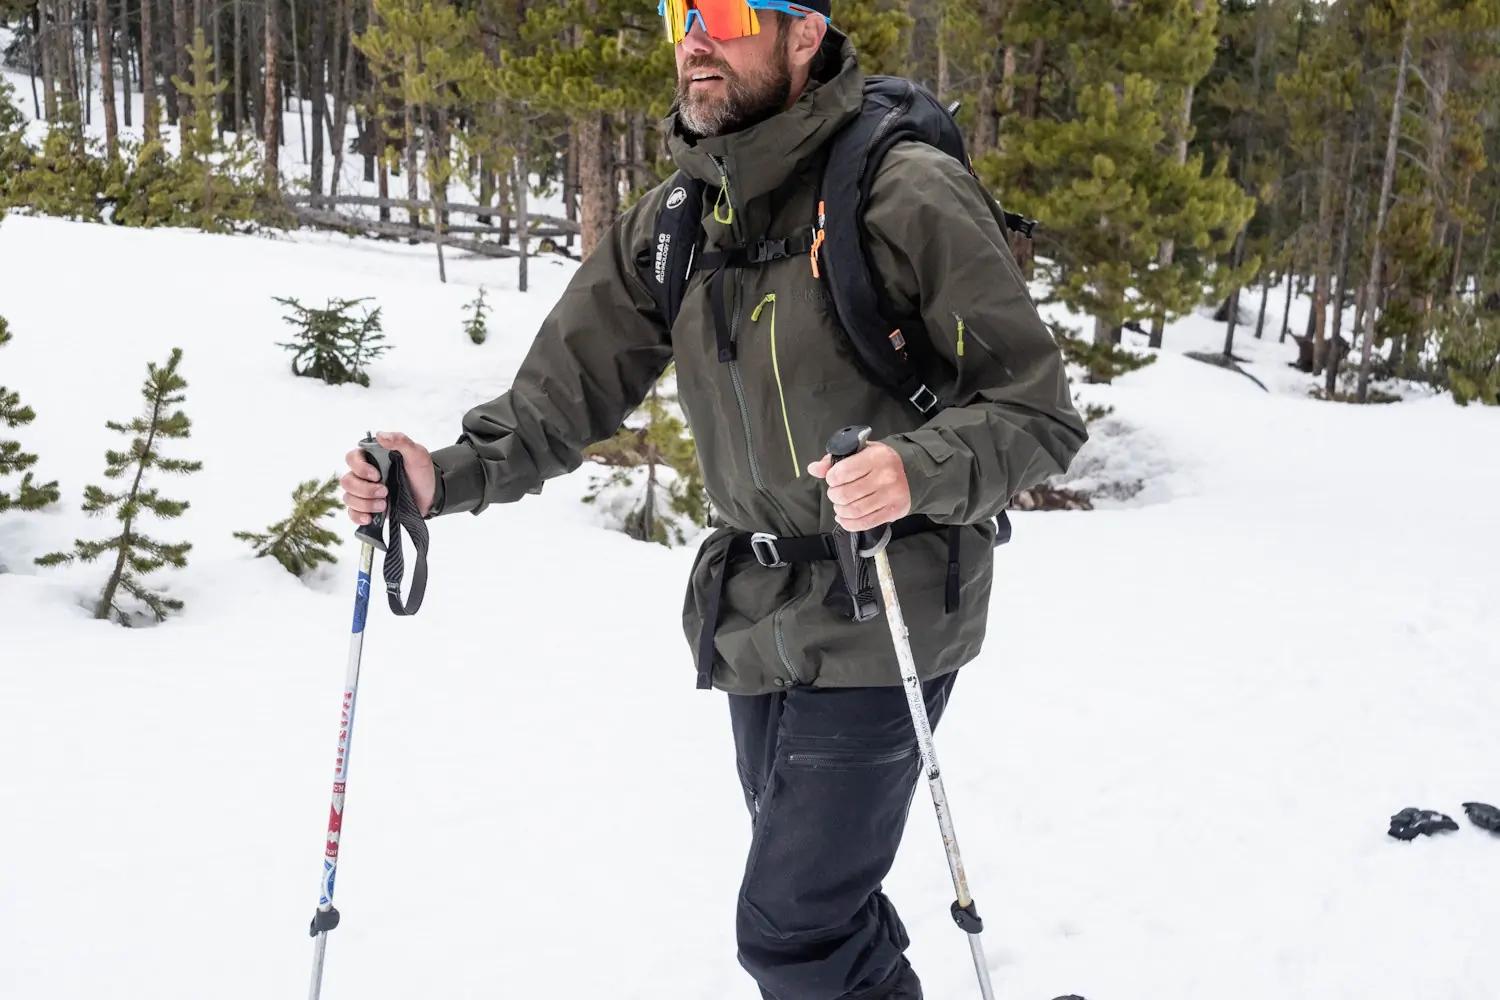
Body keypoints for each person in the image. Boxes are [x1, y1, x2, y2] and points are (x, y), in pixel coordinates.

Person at [340, 1, 1087, 996]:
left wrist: (918, 468)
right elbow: (559, 398)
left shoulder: (903, 194)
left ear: (805, 35)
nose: (695, 35)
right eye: (677, 11)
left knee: (794, 930)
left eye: (728, 12)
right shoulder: (680, 219)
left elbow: (1039, 412)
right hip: (751, 614)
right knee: (827, 906)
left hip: (890, 603)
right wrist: (443, 474)